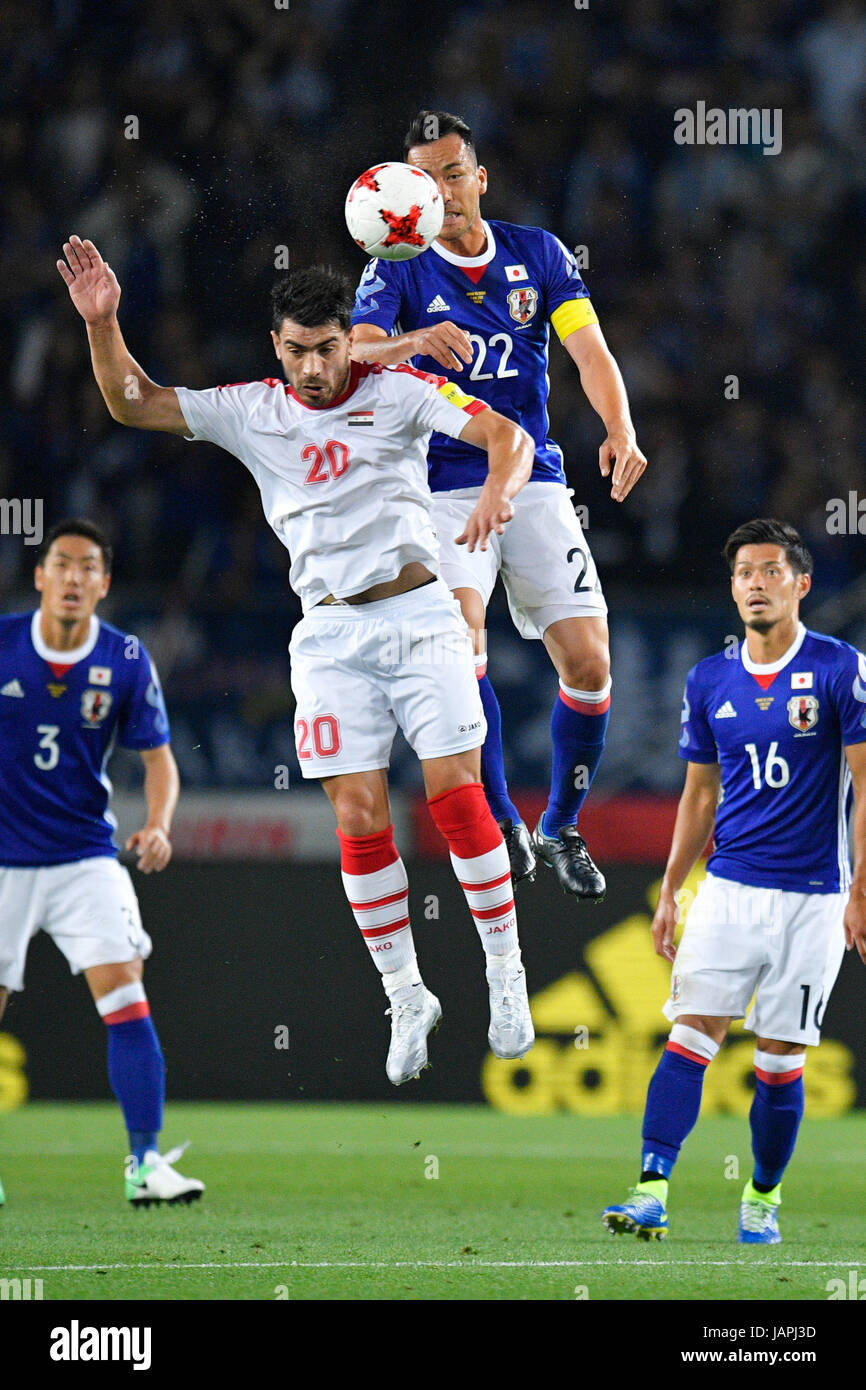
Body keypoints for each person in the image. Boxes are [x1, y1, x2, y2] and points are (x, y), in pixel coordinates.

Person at [58, 236, 538, 1084]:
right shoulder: (254, 409)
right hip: (329, 634)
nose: (314, 367)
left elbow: (504, 433)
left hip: (422, 614)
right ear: (275, 346)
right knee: (359, 816)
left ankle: (506, 973)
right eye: (297, 350)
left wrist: (499, 486)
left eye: (327, 348)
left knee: (455, 796)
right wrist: (104, 325)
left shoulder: (398, 390)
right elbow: (135, 402)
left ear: (350, 339)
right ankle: (407, 994)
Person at [351, 110, 648, 901]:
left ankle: (561, 825)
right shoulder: (398, 266)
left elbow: (589, 350)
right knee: (463, 639)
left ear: (479, 177)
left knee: (589, 663)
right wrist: (411, 342)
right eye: (426, 178)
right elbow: (355, 352)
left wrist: (619, 426)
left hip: (535, 479)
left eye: (454, 172)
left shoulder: (538, 254)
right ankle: (503, 817)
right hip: (443, 484)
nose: (442, 191)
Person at [602, 519, 866, 1243]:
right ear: (732, 588)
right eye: (744, 572)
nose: (754, 583)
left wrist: (861, 889)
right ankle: (651, 1187)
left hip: (814, 897)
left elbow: (865, 783)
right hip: (729, 890)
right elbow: (698, 796)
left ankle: (763, 1195)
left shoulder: (841, 667)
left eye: (770, 570)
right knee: (690, 1035)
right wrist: (669, 890)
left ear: (801, 585)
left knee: (780, 1061)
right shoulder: (708, 678)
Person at [0, 518, 203, 1208]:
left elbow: (158, 761)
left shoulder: (124, 658)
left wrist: (158, 825)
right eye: (63, 564)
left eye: (89, 567)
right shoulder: (2, 646)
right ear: (41, 577)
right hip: (2, 860)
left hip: (85, 855)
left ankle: (145, 1164)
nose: (75, 577)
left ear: (104, 584)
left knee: (126, 996)